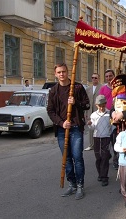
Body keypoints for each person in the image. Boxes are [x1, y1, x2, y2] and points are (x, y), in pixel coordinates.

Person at [47, 63, 90, 200]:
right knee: (67, 158)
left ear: (68, 72)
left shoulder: (77, 87)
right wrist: (61, 122)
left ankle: (80, 185)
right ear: (55, 74)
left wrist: (76, 102)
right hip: (61, 129)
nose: (61, 74)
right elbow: (50, 110)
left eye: (64, 71)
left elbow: (87, 104)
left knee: (77, 157)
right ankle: (71, 184)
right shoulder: (53, 90)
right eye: (59, 72)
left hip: (76, 127)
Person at [87, 94, 112, 186]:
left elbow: (112, 126)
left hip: (106, 137)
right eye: (99, 106)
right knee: (98, 157)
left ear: (105, 104)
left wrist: (112, 133)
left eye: (103, 105)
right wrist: (90, 124)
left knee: (104, 157)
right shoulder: (93, 115)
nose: (101, 108)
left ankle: (104, 176)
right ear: (96, 105)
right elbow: (92, 127)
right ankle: (100, 174)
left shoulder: (109, 113)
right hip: (97, 137)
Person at [84, 73, 102, 151]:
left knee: (99, 128)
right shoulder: (88, 89)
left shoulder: (102, 88)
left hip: (99, 111)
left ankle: (100, 145)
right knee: (91, 128)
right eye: (92, 78)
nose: (94, 79)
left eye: (96, 78)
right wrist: (85, 113)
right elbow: (86, 101)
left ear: (98, 78)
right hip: (89, 111)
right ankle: (91, 145)